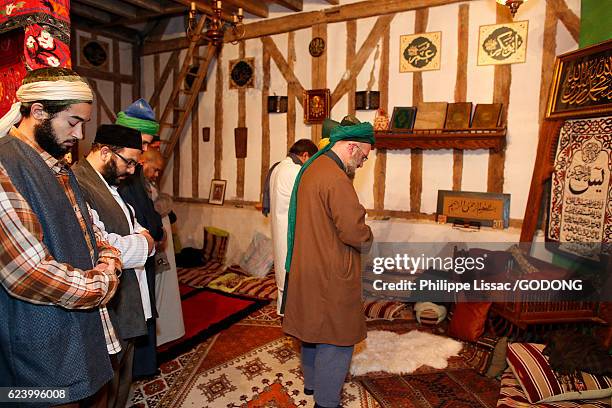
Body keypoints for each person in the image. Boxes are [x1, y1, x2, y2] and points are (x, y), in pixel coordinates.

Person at [0, 67, 122, 404]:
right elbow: (28, 271)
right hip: (38, 356)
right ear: (37, 112)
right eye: (72, 122)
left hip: (78, 335)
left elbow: (92, 230)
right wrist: (104, 282)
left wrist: (107, 256)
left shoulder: (59, 165)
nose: (80, 133)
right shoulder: (4, 165)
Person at [282, 116, 375, 408]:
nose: (362, 164)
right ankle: (325, 402)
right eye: (363, 156)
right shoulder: (335, 177)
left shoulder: (313, 168)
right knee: (337, 339)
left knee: (312, 331)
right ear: (350, 147)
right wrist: (368, 232)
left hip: (307, 266)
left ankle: (311, 386)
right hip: (330, 271)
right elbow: (353, 230)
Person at [72, 124, 155, 407]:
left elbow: (134, 225)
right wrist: (146, 244)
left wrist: (141, 237)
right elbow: (100, 246)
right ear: (106, 151)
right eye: (129, 161)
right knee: (106, 384)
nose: (132, 170)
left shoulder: (110, 183)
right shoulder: (79, 183)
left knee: (122, 379)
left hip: (127, 298)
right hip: (108, 302)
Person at [115, 98, 164, 378]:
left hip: (138, 254)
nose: (144, 151)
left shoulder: (130, 173)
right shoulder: (121, 175)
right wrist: (149, 236)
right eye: (142, 143)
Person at [267, 139, 318, 315]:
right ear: (305, 156)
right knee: (292, 277)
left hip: (279, 227)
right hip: (290, 231)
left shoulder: (278, 167)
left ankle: (286, 316)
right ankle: (293, 321)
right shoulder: (295, 171)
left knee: (284, 278)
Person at [141, 148, 185, 346]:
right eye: (155, 170)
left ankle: (169, 330)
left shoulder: (149, 185)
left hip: (162, 243)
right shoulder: (137, 187)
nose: (157, 175)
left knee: (165, 287)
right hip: (153, 244)